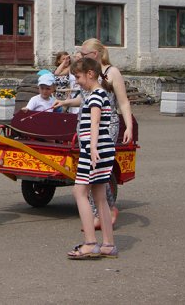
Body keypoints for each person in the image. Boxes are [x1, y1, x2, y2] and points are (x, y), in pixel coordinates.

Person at [65, 56, 117, 259]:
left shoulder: (95, 96)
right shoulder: (100, 93)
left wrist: (92, 148)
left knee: (79, 192)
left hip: (94, 150)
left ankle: (90, 243)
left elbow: (95, 124)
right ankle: (108, 244)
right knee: (100, 197)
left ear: (90, 74)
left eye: (77, 76)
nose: (76, 81)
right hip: (103, 149)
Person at [82, 38, 134, 229]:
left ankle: (102, 212)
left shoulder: (112, 72)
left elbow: (123, 102)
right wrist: (63, 103)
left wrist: (128, 126)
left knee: (97, 169)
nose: (80, 57)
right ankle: (106, 209)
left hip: (106, 125)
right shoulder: (90, 73)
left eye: (83, 54)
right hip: (87, 125)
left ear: (95, 54)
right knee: (90, 171)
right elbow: (84, 99)